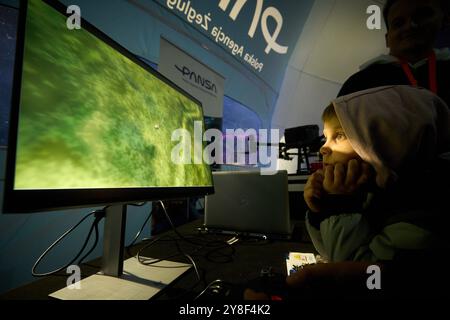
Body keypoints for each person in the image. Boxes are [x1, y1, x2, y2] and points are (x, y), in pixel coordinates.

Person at [338, 0, 450, 107]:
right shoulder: (360, 82)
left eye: (421, 16)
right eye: (398, 23)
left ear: (442, 21)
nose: (410, 25)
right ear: (387, 39)